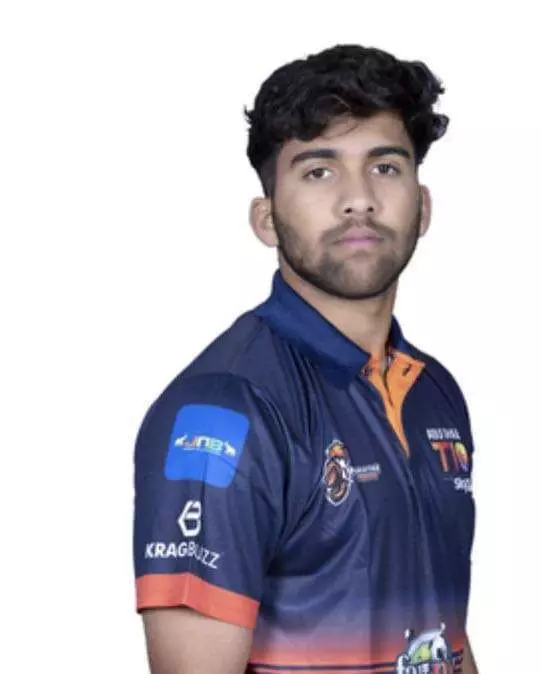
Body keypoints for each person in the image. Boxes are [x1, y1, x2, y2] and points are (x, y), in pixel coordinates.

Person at [133, 43, 479, 674]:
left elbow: (444, 634)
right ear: (266, 219)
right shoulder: (222, 410)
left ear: (423, 207)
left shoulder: (434, 393)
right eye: (319, 172)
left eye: (385, 167)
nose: (359, 199)